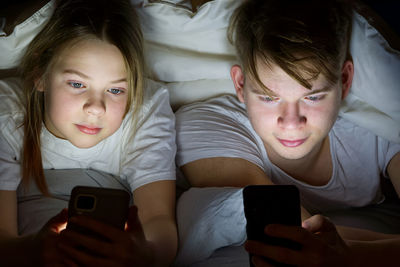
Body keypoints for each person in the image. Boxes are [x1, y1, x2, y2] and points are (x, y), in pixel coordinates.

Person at [175, 0, 400, 265]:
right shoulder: (207, 125)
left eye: (313, 97)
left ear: (345, 80)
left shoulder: (376, 126)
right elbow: (294, 237)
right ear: (240, 84)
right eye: (269, 98)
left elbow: (323, 249)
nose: (291, 123)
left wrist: (354, 254)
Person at [0, 0, 177, 266]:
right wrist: (32, 252)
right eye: (77, 84)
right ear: (40, 74)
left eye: (116, 90)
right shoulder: (8, 112)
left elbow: (158, 218)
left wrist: (144, 255)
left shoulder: (146, 107)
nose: (96, 108)